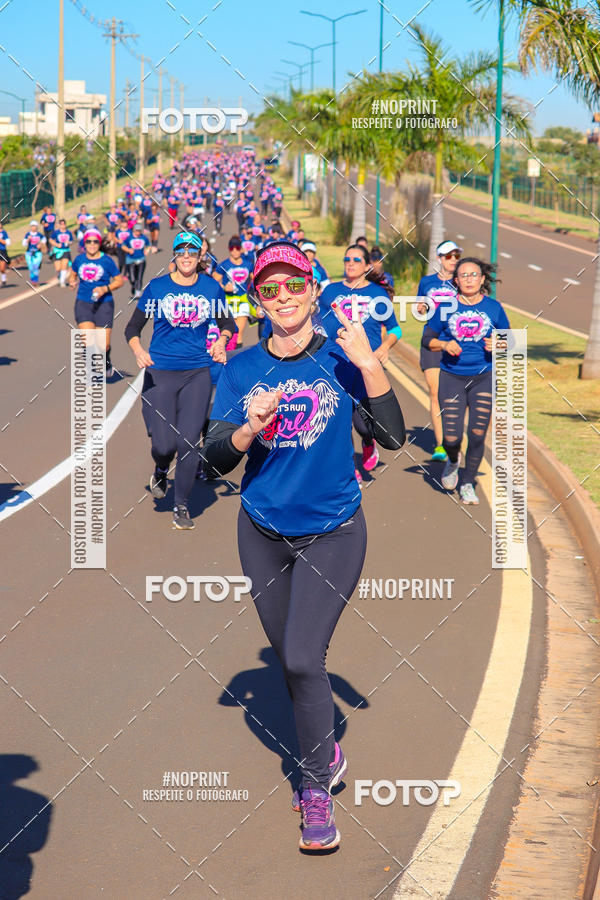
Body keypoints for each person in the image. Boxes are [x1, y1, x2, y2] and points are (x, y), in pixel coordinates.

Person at [203, 240, 405, 852]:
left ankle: (314, 789)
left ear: (315, 290)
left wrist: (370, 366)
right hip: (262, 530)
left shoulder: (342, 357)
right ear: (257, 300)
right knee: (294, 657)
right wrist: (249, 428)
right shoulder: (241, 368)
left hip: (333, 529)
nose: (284, 297)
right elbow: (213, 458)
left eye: (295, 285)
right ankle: (327, 748)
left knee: (298, 659)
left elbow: (393, 436)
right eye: (270, 289)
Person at [124, 231, 235, 530]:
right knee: (163, 446)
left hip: (196, 373)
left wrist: (221, 341)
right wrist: (138, 351)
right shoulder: (158, 288)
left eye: (192, 252)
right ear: (174, 255)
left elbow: (227, 323)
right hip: (160, 373)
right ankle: (161, 469)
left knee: (188, 442)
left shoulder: (211, 288)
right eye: (181, 251)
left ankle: (181, 505)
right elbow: (132, 328)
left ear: (200, 257)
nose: (187, 256)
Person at [422, 257, 510, 505]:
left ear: (482, 279)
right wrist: (444, 345)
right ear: (456, 281)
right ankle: (453, 460)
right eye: (464, 275)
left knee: (478, 433)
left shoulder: (494, 308)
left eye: (474, 275)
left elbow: (510, 339)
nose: (469, 279)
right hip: (452, 378)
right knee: (451, 438)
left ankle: (468, 482)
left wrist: (500, 343)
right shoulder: (446, 307)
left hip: (484, 377)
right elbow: (427, 339)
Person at [319, 244, 402, 482]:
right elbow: (319, 326)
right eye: (347, 259)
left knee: (364, 425)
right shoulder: (330, 291)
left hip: (366, 367)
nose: (350, 263)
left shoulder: (378, 294)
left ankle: (368, 441)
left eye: (356, 260)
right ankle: (349, 468)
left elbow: (395, 329)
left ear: (367, 266)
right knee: (340, 420)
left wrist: (384, 348)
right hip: (335, 365)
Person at [416, 240, 462, 463]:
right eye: (448, 256)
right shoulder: (427, 282)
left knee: (455, 396)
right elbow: (419, 309)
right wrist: (421, 308)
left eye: (456, 256)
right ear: (439, 258)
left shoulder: (462, 281)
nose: (453, 260)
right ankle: (440, 445)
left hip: (457, 342)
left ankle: (454, 439)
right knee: (435, 393)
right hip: (433, 342)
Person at [69, 228, 125, 377]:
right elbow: (72, 273)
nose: (92, 244)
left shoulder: (107, 261)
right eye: (89, 241)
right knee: (87, 341)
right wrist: (72, 281)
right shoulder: (79, 259)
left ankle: (105, 360)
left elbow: (119, 281)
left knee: (103, 345)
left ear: (99, 243)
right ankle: (90, 371)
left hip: (104, 304)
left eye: (95, 241)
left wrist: (105, 288)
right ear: (84, 243)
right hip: (83, 303)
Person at [214, 236, 254, 348]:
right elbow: (214, 283)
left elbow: (255, 280)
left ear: (241, 249)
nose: (235, 251)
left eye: (237, 248)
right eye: (232, 248)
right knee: (230, 332)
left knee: (239, 332)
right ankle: (228, 353)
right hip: (228, 300)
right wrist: (224, 288)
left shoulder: (248, 264)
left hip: (242, 299)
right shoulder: (224, 265)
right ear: (229, 249)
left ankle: (238, 355)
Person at [123, 221, 150, 299]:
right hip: (130, 260)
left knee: (139, 277)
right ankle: (134, 287)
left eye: (139, 231)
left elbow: (148, 245)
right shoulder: (129, 238)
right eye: (136, 231)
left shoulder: (144, 237)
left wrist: (147, 250)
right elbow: (123, 246)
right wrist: (128, 250)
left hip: (141, 259)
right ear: (133, 230)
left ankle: (138, 292)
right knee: (132, 278)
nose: (138, 232)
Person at [49, 219, 74, 287]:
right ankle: (60, 276)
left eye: (64, 224)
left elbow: (71, 241)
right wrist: (56, 244)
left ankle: (62, 282)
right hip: (57, 251)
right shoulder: (56, 232)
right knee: (58, 268)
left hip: (66, 251)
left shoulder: (68, 232)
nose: (63, 226)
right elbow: (50, 240)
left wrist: (69, 242)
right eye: (61, 224)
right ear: (59, 225)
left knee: (64, 266)